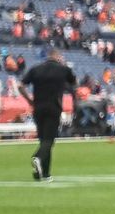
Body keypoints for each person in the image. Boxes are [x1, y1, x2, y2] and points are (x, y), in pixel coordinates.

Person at [21, 48, 76, 182]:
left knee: (43, 140)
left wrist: (30, 101)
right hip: (53, 106)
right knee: (49, 140)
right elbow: (74, 83)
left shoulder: (36, 69)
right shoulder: (63, 69)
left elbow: (21, 86)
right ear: (58, 56)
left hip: (38, 107)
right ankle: (38, 157)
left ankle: (44, 173)